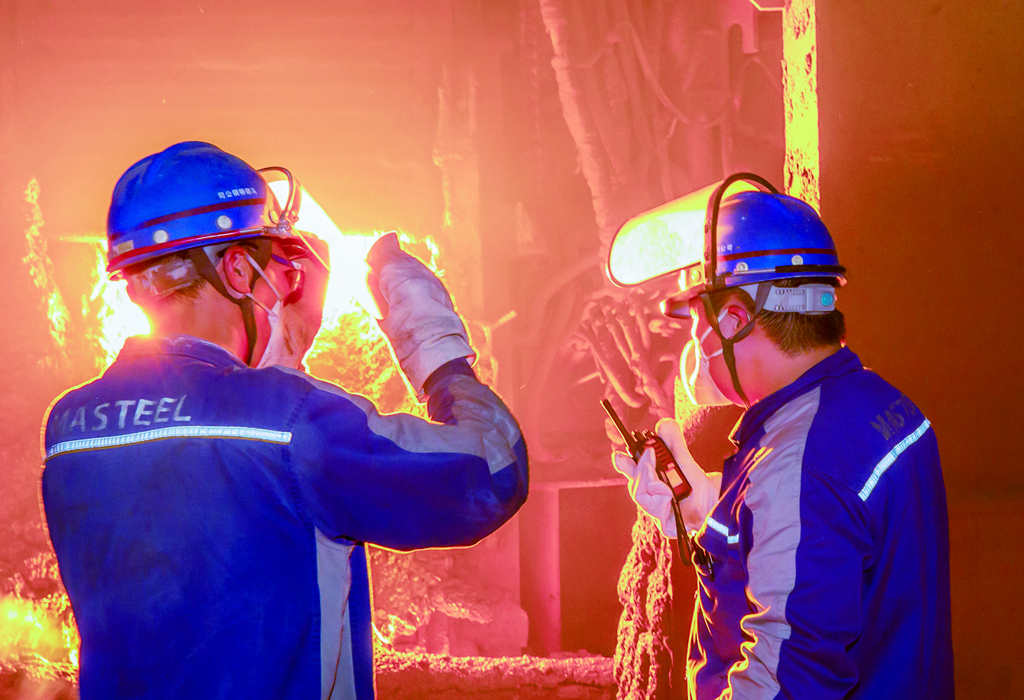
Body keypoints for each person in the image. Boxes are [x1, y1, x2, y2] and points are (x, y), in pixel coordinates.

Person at [41, 141, 528, 700]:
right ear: (237, 269)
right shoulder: (296, 423)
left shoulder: (69, 428)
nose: (287, 286)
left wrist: (282, 359)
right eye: (279, 268)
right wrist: (437, 353)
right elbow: (492, 472)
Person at [607, 175, 953, 699]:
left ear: (733, 320)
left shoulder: (799, 460)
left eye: (698, 319)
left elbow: (783, 682)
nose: (696, 341)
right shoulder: (880, 407)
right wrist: (705, 510)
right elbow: (818, 552)